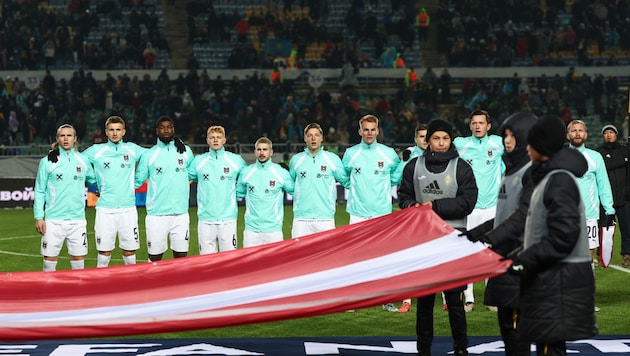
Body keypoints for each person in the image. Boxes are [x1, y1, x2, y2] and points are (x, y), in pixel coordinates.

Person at [509, 115, 597, 356]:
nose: (527, 148)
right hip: (552, 279)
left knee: (550, 349)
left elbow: (564, 235)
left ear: (542, 147)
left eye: (531, 143)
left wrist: (525, 259)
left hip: (557, 280)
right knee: (548, 346)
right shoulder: (552, 177)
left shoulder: (558, 180)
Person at [460, 112, 538, 356]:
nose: (506, 140)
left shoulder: (531, 172)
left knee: (518, 330)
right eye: (505, 134)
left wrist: (488, 238)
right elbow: (504, 216)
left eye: (512, 135)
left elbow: (524, 217)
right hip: (507, 261)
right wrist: (473, 234)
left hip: (521, 261)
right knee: (508, 327)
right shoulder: (512, 170)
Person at [398, 118, 478, 356]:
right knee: (424, 303)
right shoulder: (413, 167)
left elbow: (467, 203)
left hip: (453, 240)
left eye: (445, 138)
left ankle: (461, 349)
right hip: (424, 241)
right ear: (427, 141)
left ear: (450, 140)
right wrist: (414, 205)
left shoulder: (462, 167)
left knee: (455, 302)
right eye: (436, 138)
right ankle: (424, 350)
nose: (441, 143)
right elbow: (403, 197)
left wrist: (434, 206)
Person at [342, 114, 402, 312]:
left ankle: (386, 299)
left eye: (372, 129)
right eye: (365, 129)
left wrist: (383, 187)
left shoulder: (389, 154)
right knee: (355, 257)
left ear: (378, 131)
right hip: (358, 213)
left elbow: (396, 175)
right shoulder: (351, 154)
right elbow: (344, 177)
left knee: (384, 257)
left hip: (382, 213)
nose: (369, 133)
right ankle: (354, 299)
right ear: (359, 131)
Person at [453, 109, 505, 312]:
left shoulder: (498, 143)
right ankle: (469, 298)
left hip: (494, 206)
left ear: (488, 126)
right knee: (469, 251)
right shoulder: (461, 144)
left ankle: (492, 298)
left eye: (481, 123)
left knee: (493, 253)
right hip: (470, 207)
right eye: (474, 123)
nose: (477, 126)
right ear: (470, 126)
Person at [82, 116, 146, 267]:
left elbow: (149, 158)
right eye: (111, 130)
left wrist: (137, 181)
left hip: (128, 208)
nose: (115, 133)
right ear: (106, 132)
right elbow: (79, 161)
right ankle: (101, 285)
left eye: (118, 130)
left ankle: (131, 284)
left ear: (124, 131)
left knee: (129, 251)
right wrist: (94, 181)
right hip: (105, 209)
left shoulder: (132, 149)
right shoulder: (97, 150)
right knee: (104, 252)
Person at [34, 124, 93, 271]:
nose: (66, 138)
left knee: (78, 258)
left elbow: (96, 181)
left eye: (69, 135)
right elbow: (39, 190)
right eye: (62, 135)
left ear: (75, 139)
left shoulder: (83, 160)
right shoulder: (47, 161)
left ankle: (78, 292)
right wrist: (39, 217)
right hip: (54, 220)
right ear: (57, 139)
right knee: (50, 259)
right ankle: (49, 292)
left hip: (77, 219)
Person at [135, 116, 194, 262]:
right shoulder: (149, 154)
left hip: (180, 213)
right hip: (157, 214)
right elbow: (137, 181)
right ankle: (153, 285)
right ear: (157, 131)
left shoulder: (186, 151)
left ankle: (179, 285)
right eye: (162, 127)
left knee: (181, 258)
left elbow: (194, 174)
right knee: (155, 258)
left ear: (173, 129)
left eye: (169, 127)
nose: (166, 130)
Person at [566, 120, 615, 271]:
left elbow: (603, 185)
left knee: (588, 257)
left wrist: (610, 209)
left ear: (586, 135)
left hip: (589, 215)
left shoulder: (595, 157)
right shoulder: (560, 157)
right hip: (565, 215)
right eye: (574, 130)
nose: (577, 133)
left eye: (581, 130)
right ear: (568, 135)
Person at [190, 126, 247, 254]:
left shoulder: (235, 160)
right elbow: (186, 178)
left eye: (218, 137)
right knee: (206, 261)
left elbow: (247, 178)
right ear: (207, 140)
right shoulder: (198, 161)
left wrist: (237, 195)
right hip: (205, 219)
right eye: (212, 137)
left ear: (224, 140)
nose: (215, 140)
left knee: (230, 260)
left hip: (227, 219)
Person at [289, 123, 348, 238]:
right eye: (310, 135)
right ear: (305, 138)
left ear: (321, 138)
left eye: (316, 135)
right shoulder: (296, 160)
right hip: (301, 219)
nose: (313, 138)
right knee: (300, 255)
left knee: (327, 255)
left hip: (325, 219)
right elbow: (290, 185)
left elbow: (346, 181)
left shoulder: (332, 159)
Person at [236, 137, 294, 248]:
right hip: (251, 231)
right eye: (259, 149)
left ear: (271, 152)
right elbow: (238, 194)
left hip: (273, 231)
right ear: (255, 152)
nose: (262, 152)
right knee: (251, 264)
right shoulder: (246, 172)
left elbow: (296, 192)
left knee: (275, 265)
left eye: (265, 149)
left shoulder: (281, 173)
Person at [596, 124, 630, 267]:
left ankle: (627, 255)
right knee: (603, 228)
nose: (609, 135)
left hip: (624, 197)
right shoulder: (598, 153)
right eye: (606, 133)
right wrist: (623, 161)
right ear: (603, 136)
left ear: (616, 134)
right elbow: (603, 167)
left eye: (611, 132)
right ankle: (601, 256)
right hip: (605, 199)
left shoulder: (624, 149)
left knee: (627, 228)